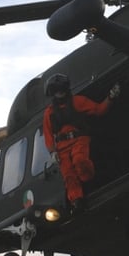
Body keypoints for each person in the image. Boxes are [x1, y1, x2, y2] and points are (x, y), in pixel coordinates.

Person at [42, 73, 120, 213]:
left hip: (79, 139)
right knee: (68, 174)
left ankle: (90, 181)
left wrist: (110, 98)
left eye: (61, 89)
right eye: (56, 90)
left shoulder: (78, 101)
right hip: (61, 148)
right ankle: (76, 200)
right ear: (52, 93)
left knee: (80, 160)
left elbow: (99, 110)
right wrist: (52, 152)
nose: (60, 93)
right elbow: (48, 135)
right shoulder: (49, 113)